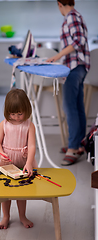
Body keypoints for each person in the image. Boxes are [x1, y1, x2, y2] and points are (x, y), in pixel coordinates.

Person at [46, 0, 90, 166]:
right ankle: (79, 145)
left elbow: (78, 42)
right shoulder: (76, 16)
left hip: (75, 66)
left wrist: (57, 56)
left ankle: (73, 148)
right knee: (77, 107)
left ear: (59, 4)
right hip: (78, 66)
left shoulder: (72, 17)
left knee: (69, 107)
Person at [0, 88, 38, 229]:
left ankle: (22, 216)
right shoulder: (4, 124)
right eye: (13, 114)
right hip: (6, 162)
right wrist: (1, 154)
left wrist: (29, 162)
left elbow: (31, 146)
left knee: (21, 191)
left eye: (20, 113)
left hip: (22, 162)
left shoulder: (29, 126)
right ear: (7, 111)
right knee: (5, 191)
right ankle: (6, 216)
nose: (17, 117)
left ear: (26, 109)